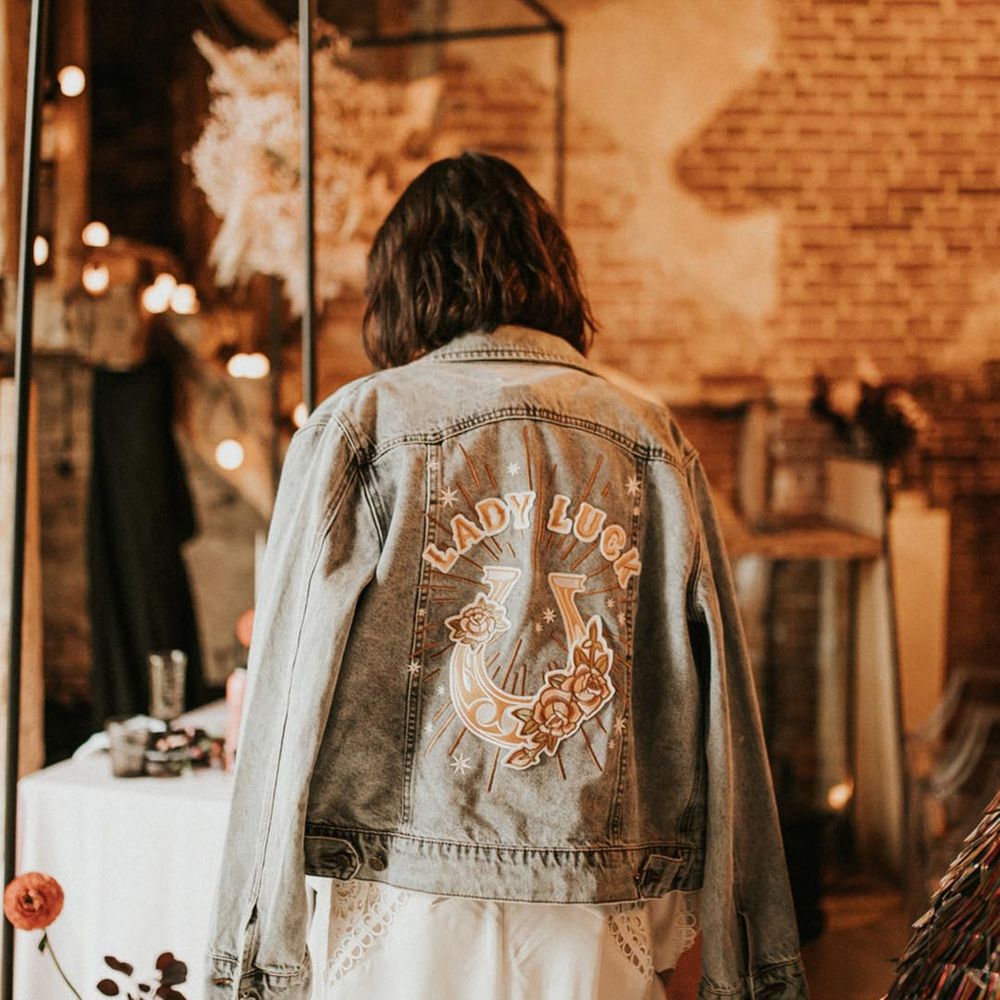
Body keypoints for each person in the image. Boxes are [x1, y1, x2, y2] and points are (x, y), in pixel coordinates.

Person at [205, 152, 809, 1000]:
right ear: (551, 274)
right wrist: (750, 961)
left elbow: (282, 694)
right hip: (598, 892)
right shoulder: (649, 438)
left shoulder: (362, 426)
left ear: (403, 285)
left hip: (401, 889)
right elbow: (726, 713)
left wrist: (251, 952)